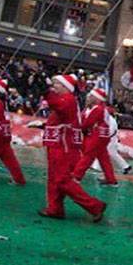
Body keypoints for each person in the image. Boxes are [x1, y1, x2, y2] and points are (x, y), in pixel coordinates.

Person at [37, 73, 106, 222]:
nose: (54, 87)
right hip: (60, 144)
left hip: (63, 146)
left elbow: (60, 107)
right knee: (55, 179)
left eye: (57, 84)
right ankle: (55, 208)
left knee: (62, 180)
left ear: (66, 87)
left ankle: (94, 206)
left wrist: (47, 93)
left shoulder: (67, 100)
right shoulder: (67, 100)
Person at [73, 87, 118, 186]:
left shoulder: (98, 109)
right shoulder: (97, 108)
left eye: (91, 96)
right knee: (103, 158)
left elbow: (87, 123)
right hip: (102, 136)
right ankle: (111, 180)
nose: (88, 97)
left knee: (88, 156)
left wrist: (79, 128)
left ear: (97, 98)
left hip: (97, 136)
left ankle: (76, 176)